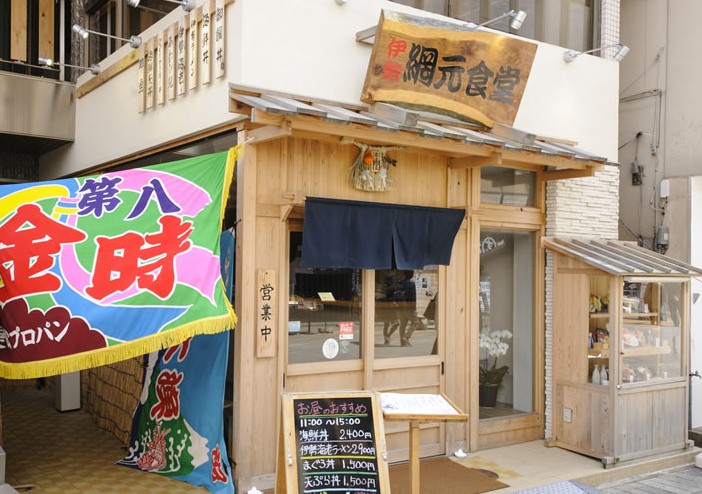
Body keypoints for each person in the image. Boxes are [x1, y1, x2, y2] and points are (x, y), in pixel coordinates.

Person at [383, 270, 417, 346]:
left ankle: (402, 342)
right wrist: (414, 308)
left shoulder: (399, 283)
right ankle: (406, 337)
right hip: (408, 307)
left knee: (403, 324)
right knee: (415, 322)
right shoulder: (411, 284)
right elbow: (413, 297)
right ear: (411, 274)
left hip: (399, 307)